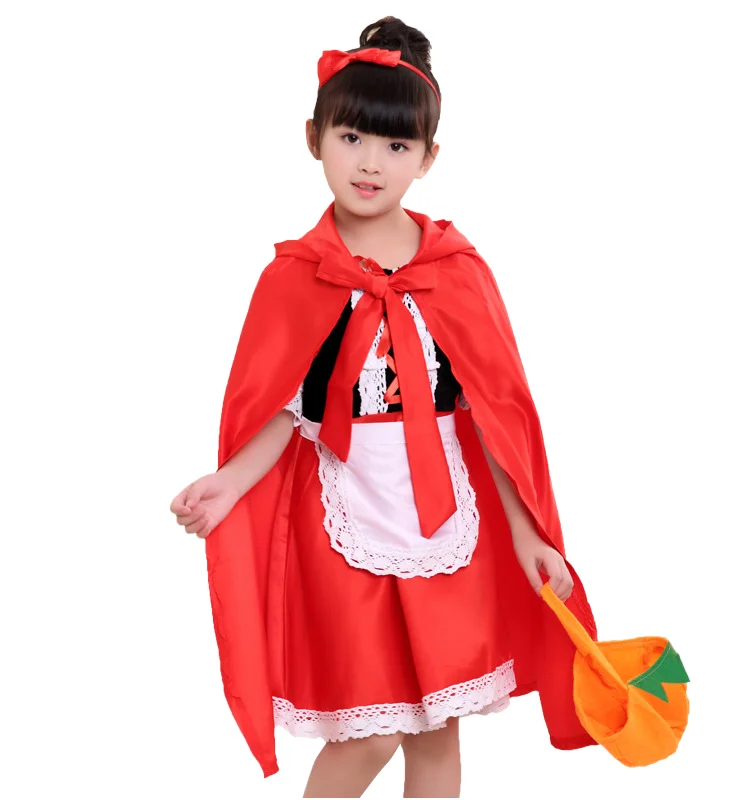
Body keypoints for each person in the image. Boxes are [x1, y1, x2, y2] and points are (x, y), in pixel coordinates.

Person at [170, 15, 598, 799]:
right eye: (352, 138)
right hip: (341, 516)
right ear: (314, 138)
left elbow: (494, 415)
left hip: (450, 520)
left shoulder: (457, 270)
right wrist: (229, 483)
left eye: (397, 146)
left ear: (429, 157)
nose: (371, 163)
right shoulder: (294, 276)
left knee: (436, 726)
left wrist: (528, 532)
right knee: (370, 729)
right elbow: (282, 406)